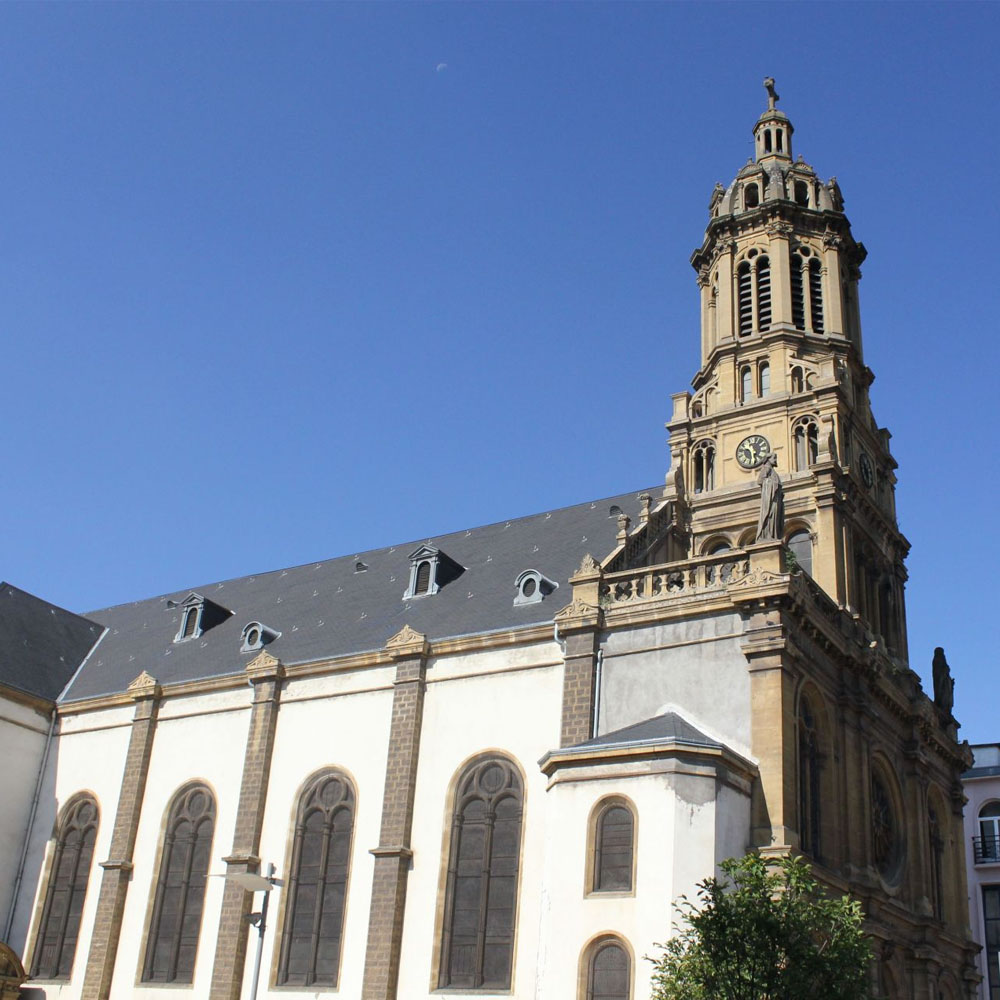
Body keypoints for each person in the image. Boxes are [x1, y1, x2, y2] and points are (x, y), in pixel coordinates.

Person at [755, 453, 783, 542]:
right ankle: (767, 534)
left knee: (775, 516)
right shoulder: (766, 468)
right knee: (770, 514)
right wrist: (772, 484)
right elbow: (760, 481)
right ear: (768, 459)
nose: (775, 460)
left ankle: (772, 534)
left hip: (775, 497)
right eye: (774, 458)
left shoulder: (772, 471)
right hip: (769, 498)